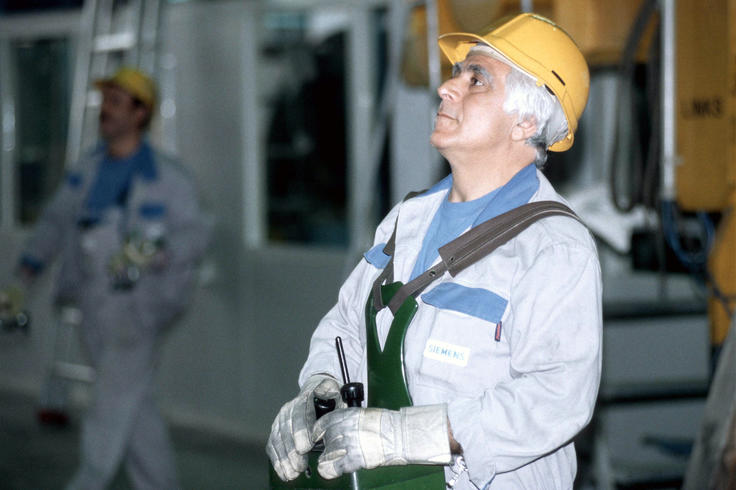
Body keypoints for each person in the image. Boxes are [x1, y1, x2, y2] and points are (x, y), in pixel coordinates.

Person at [267, 12, 601, 490]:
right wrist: (319, 390)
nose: (446, 87)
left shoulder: (553, 248)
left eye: (476, 79)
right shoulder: (406, 220)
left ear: (525, 121)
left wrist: (412, 436)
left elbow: (555, 397)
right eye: (456, 73)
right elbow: (345, 327)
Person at [18, 67, 210, 490]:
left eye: (116, 102)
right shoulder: (87, 170)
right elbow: (55, 221)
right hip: (92, 301)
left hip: (138, 308)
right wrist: (27, 270)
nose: (105, 109)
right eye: (106, 100)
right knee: (133, 405)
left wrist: (157, 252)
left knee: (109, 403)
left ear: (140, 113)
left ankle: (88, 481)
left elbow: (196, 235)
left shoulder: (168, 177)